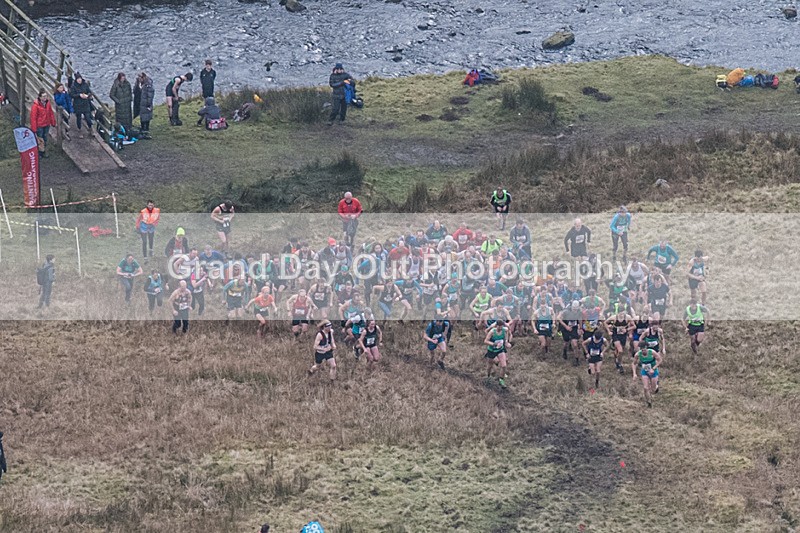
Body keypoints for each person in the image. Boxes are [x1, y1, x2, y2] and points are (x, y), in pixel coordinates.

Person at [484, 319, 511, 388]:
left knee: (504, 365)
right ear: (496, 326)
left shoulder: (505, 330)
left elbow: (506, 338)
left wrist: (507, 343)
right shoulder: (492, 332)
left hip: (500, 350)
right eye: (499, 326)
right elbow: (486, 341)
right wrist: (493, 344)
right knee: (490, 365)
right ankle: (488, 376)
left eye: (501, 326)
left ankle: (501, 380)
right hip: (492, 350)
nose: (500, 328)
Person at [30, 89, 56, 158]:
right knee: (39, 139)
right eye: (43, 96)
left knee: (45, 138)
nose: (45, 98)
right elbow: (33, 117)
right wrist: (34, 128)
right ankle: (40, 153)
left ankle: (43, 151)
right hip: (39, 125)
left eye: (46, 96)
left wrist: (53, 122)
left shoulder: (48, 104)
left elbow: (51, 113)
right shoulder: (35, 106)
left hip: (46, 124)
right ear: (40, 97)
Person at [69, 72, 93, 138]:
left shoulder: (85, 84)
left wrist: (87, 95)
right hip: (78, 104)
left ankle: (90, 129)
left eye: (80, 79)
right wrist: (79, 95)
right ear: (76, 80)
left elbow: (89, 91)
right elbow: (71, 95)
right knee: (79, 118)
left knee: (88, 117)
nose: (79, 80)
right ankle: (80, 130)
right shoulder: (73, 86)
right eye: (78, 79)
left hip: (85, 103)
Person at [136, 72, 154, 139]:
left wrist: (148, 104)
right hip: (142, 102)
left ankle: (146, 128)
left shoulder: (148, 84)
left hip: (146, 103)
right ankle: (143, 127)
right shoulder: (141, 84)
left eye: (140, 78)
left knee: (147, 116)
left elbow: (150, 95)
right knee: (143, 115)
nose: (139, 79)